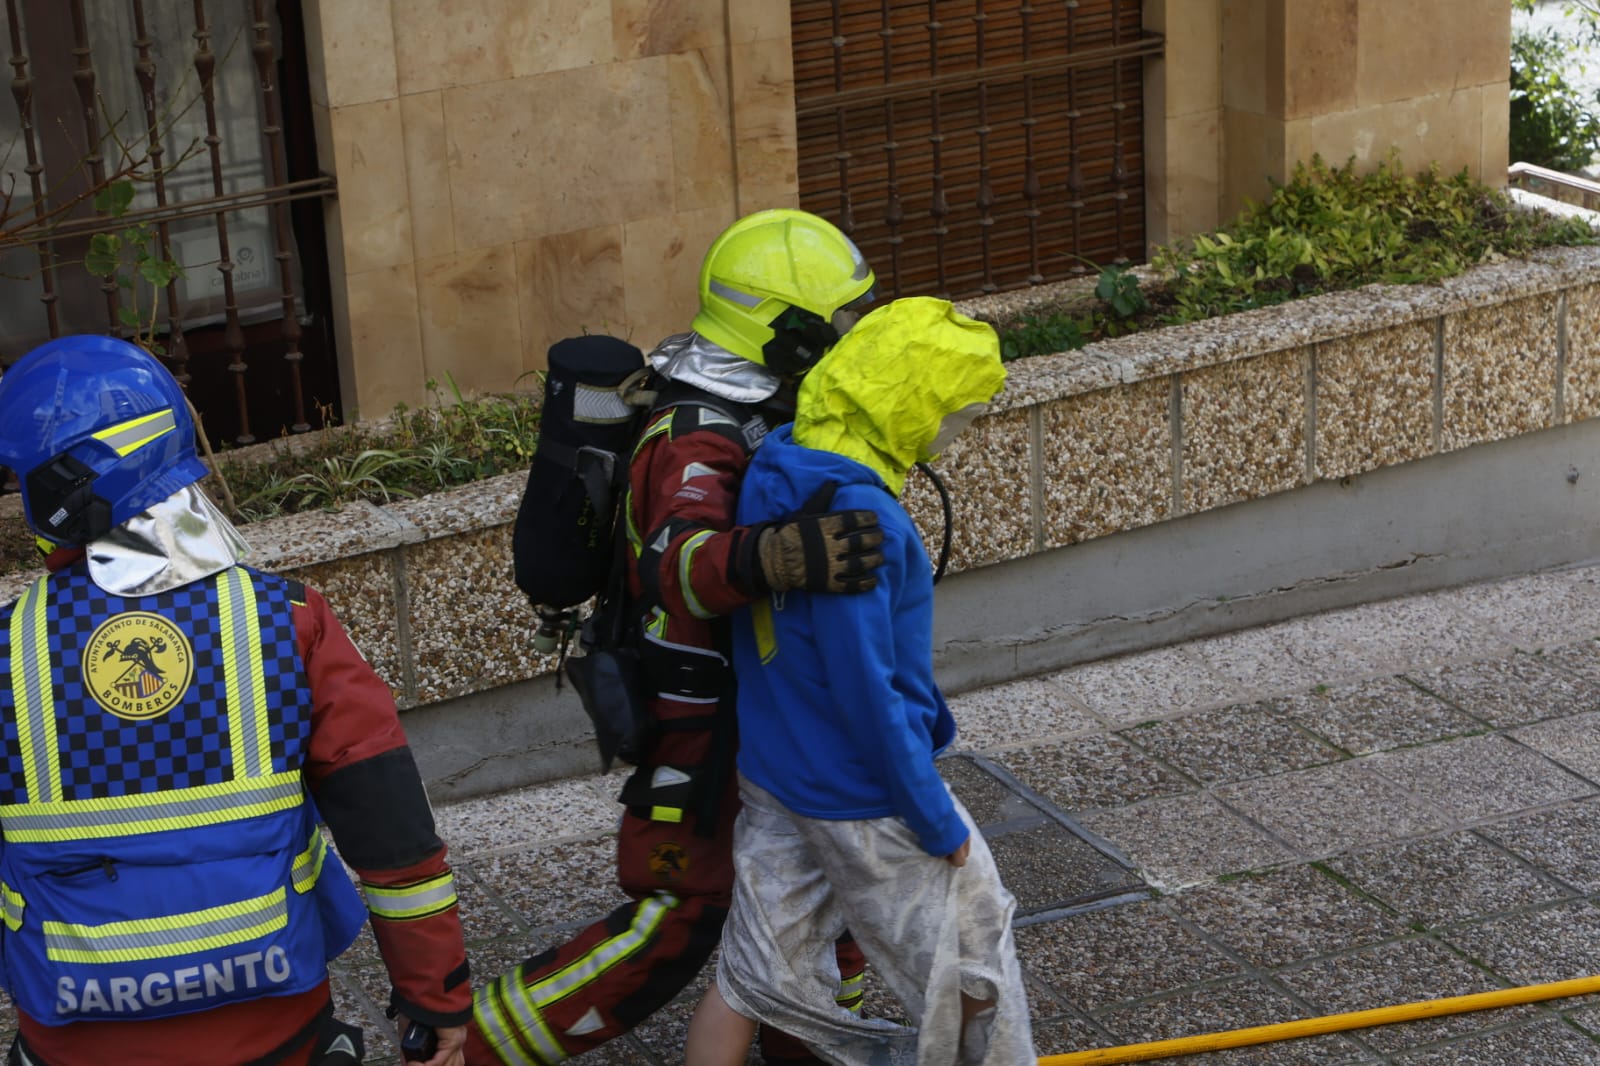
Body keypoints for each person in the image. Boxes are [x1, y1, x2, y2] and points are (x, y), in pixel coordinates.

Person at [468, 209, 886, 1066]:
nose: (856, 335)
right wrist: (780, 554)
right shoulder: (697, 428)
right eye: (844, 320)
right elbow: (678, 561)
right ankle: (463, 1050)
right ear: (793, 336)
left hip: (763, 710)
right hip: (698, 721)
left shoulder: (768, 405)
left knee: (827, 897)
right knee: (679, 917)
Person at [0, 336, 472, 1066]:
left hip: (72, 1038)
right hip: (273, 1029)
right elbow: (392, 836)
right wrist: (434, 992)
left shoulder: (8, 650)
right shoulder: (288, 620)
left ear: (59, 487)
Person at [684, 297, 1036, 1065]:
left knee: (751, 974)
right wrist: (934, 820)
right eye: (956, 417)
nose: (954, 437)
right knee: (975, 956)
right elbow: (867, 690)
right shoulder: (862, 520)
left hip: (775, 775)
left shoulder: (779, 462)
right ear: (911, 401)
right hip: (864, 794)